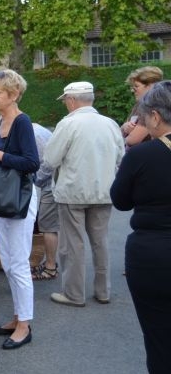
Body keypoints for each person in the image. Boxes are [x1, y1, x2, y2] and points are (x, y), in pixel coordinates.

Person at [43, 81, 125, 307]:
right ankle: (103, 291)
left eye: (66, 101)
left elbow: (51, 159)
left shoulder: (68, 124)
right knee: (101, 242)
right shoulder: (110, 124)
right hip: (104, 192)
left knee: (73, 245)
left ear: (71, 100)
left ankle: (74, 293)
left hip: (72, 192)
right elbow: (120, 158)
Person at [110, 80, 171, 374]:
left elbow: (120, 200)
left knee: (159, 338)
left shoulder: (141, 155)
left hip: (153, 256)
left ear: (156, 117)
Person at [0, 69, 39, 350]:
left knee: (18, 263)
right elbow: (5, 160)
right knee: (9, 261)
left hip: (20, 198)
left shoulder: (22, 122)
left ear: (13, 95)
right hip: (5, 197)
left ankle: (24, 325)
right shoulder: (2, 119)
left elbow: (31, 162)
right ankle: (17, 316)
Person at [31, 123, 60, 281]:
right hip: (54, 182)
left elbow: (48, 163)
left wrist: (37, 180)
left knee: (48, 226)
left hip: (52, 184)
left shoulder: (34, 135)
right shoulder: (35, 130)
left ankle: (50, 267)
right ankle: (51, 264)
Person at [121, 66, 163, 148]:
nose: (132, 90)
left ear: (150, 86)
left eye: (136, 86)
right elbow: (124, 128)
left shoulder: (152, 106)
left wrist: (122, 134)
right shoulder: (139, 104)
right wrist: (124, 127)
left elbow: (133, 140)